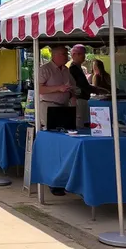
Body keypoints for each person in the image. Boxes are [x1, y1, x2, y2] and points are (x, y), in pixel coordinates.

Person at [38, 45, 77, 196]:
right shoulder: (45, 69)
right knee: (52, 143)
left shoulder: (66, 70)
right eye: (63, 53)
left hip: (65, 107)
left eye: (67, 53)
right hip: (49, 107)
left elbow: (72, 87)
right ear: (54, 55)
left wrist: (73, 94)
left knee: (65, 142)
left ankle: (63, 180)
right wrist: (58, 88)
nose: (66, 56)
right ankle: (52, 182)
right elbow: (39, 89)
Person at [69, 45, 108, 128]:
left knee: (83, 122)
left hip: (82, 99)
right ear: (74, 55)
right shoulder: (73, 69)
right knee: (80, 123)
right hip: (78, 99)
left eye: (83, 54)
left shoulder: (78, 68)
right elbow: (84, 86)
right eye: (80, 54)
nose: (83, 57)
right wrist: (100, 90)